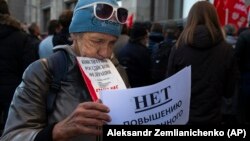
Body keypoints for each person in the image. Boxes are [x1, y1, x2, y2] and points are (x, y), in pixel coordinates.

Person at [0, 0, 129, 140]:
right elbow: (11, 136)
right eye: (97, 41)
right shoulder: (44, 71)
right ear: (74, 34)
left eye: (112, 43)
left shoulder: (118, 70)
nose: (105, 53)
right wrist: (57, 131)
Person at [166, 1, 239, 125]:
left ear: (190, 19)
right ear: (215, 18)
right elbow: (229, 91)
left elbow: (170, 85)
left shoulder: (178, 48)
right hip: (213, 118)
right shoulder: (226, 50)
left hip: (184, 118)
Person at [0, 0, 37, 136]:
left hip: (13, 87)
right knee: (11, 129)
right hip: (14, 90)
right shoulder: (21, 37)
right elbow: (30, 67)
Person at [118, 22, 152, 87]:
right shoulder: (143, 52)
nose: (147, 40)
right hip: (140, 88)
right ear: (143, 38)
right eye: (146, 37)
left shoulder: (123, 49)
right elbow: (148, 73)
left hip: (126, 87)